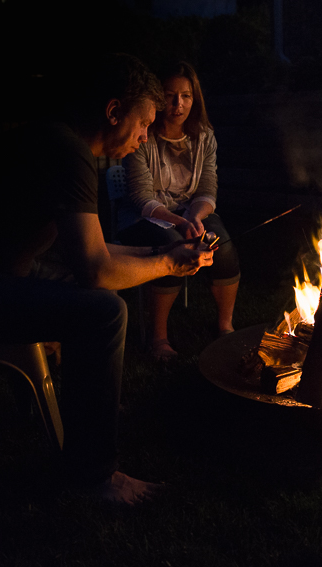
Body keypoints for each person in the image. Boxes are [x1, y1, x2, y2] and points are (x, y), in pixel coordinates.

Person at [0, 54, 214, 505]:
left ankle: (87, 423)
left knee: (87, 293)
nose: (144, 137)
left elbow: (86, 253)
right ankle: (94, 477)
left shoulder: (59, 141)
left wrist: (162, 252)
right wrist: (170, 265)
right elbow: (96, 269)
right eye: (142, 124)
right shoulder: (67, 150)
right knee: (103, 311)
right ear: (113, 112)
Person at [118, 61, 240, 359]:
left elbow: (208, 188)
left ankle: (225, 326)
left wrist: (195, 216)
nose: (178, 104)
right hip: (146, 215)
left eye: (185, 96)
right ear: (158, 99)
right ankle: (158, 338)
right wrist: (178, 222)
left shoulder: (203, 136)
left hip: (189, 211)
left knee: (220, 243)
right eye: (170, 95)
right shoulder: (144, 135)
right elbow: (141, 197)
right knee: (173, 244)